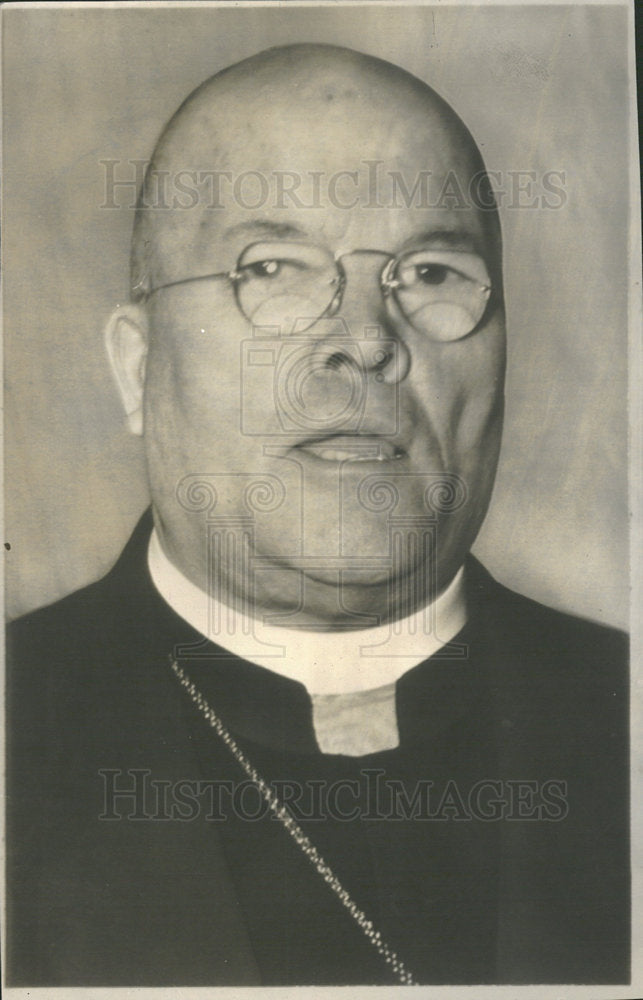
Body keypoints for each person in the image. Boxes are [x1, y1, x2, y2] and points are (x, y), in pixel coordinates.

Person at [6, 44, 629, 986]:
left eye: (431, 274)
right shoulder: (19, 719)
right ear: (140, 367)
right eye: (274, 268)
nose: (366, 342)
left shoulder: (619, 708)